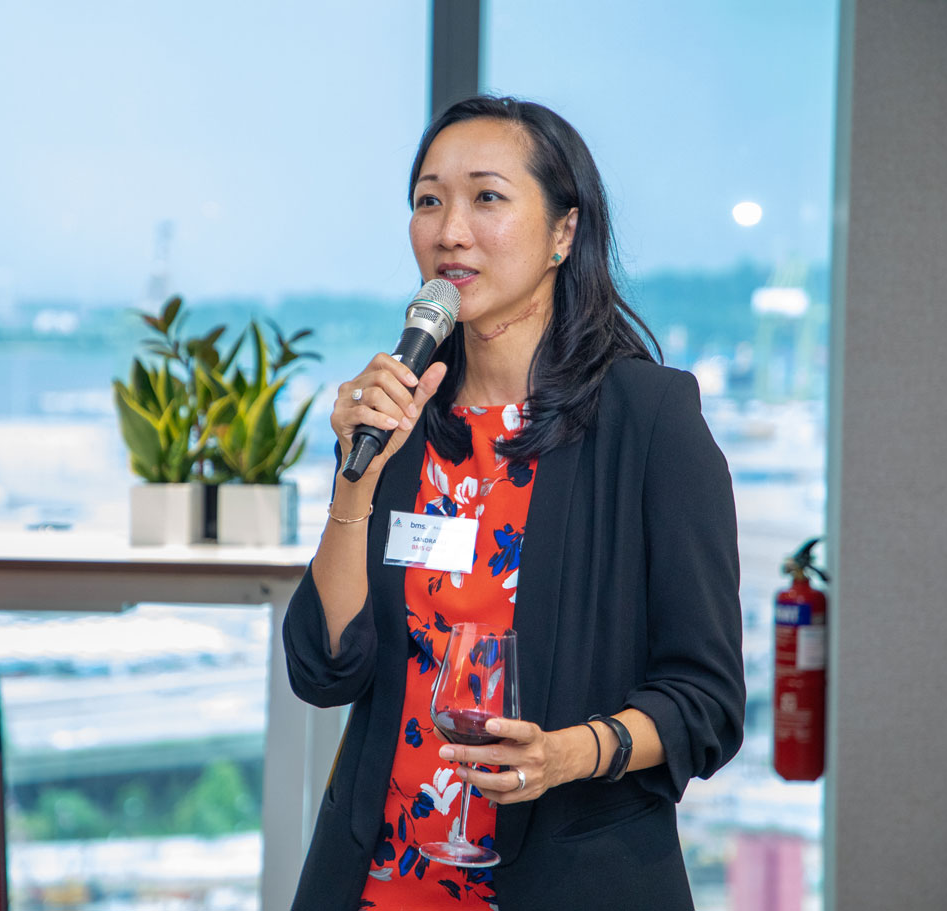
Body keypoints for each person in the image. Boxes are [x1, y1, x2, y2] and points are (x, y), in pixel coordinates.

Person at [282, 95, 744, 911]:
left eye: (486, 197)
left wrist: (567, 754)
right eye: (429, 200)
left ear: (564, 233)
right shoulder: (400, 420)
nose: (450, 230)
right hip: (382, 881)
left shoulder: (649, 420)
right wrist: (353, 482)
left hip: (575, 881)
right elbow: (325, 669)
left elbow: (705, 701)